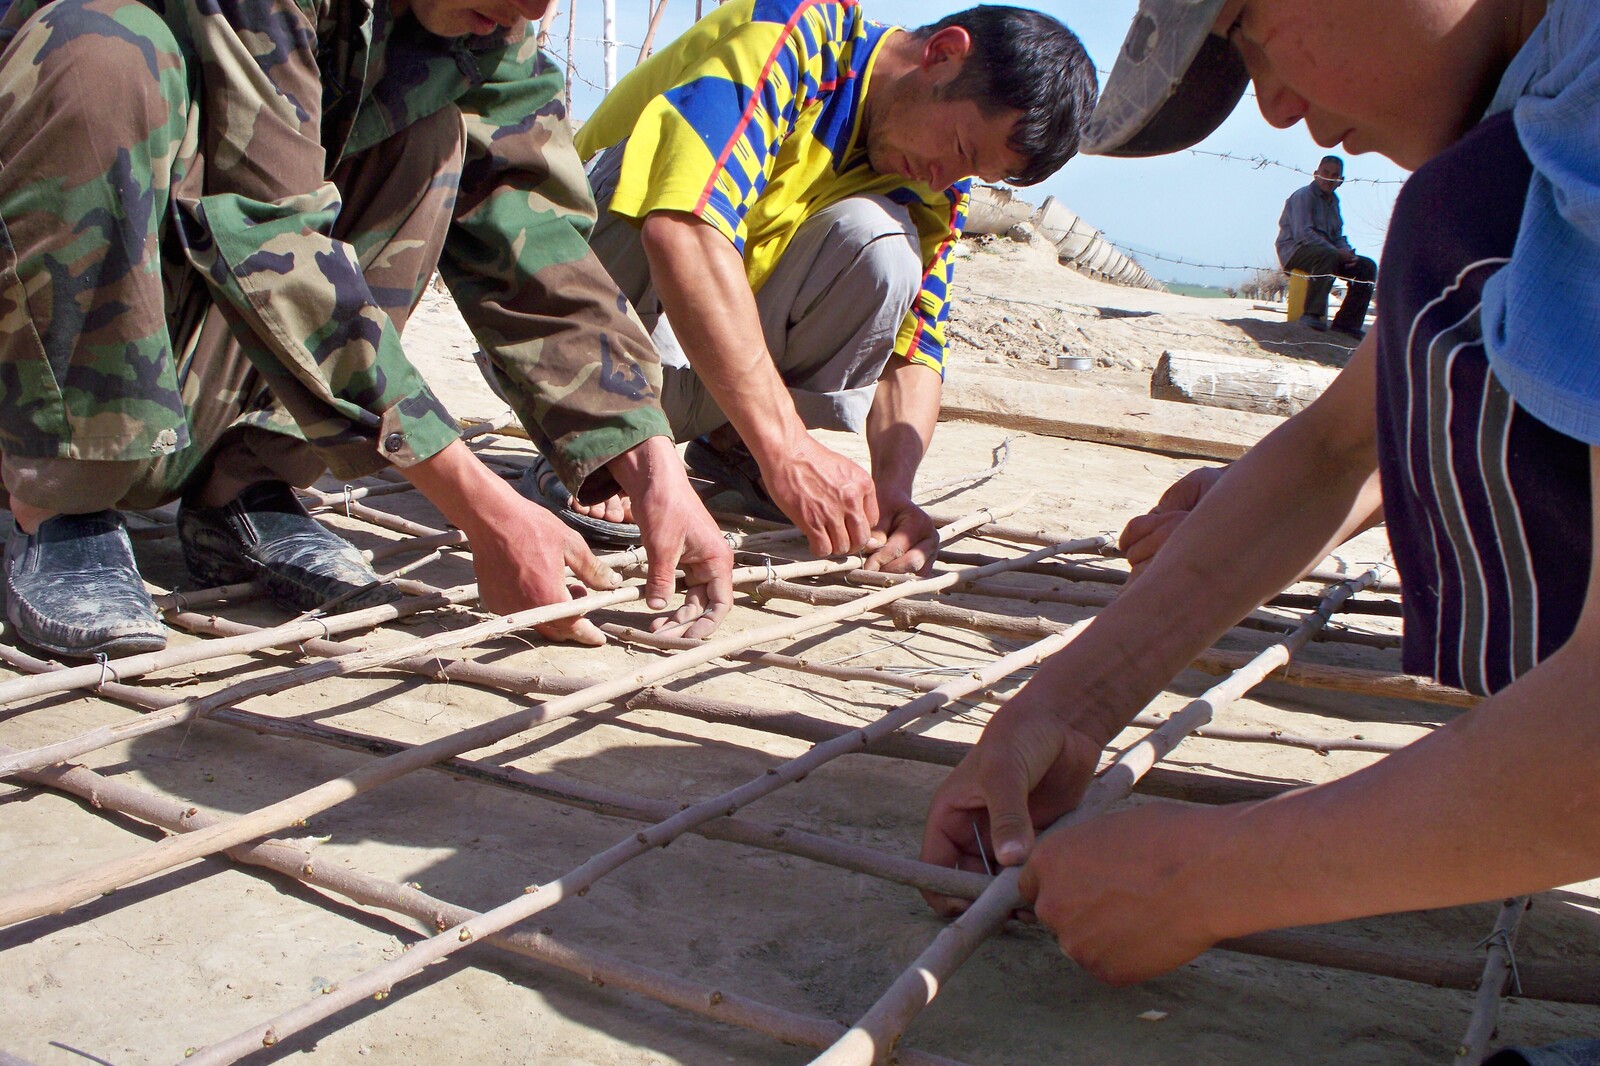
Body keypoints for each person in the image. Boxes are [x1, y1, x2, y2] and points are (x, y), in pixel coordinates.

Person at [921, 0, 1600, 1025]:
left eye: (1255, 27)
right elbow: (1342, 443)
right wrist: (1064, 705)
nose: (1277, 108)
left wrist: (1213, 874)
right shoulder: (1545, 106)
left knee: (1465, 220)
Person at [0, 0, 735, 660]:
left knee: (429, 131)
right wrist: (479, 507)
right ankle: (55, 498)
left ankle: (247, 481)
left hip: (177, 331)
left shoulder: (484, 22)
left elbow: (531, 232)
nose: (535, 6)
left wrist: (644, 445)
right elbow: (274, 237)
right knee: (101, 52)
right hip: (27, 356)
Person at [554, 1, 1095, 575]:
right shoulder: (795, 37)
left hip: (696, 360)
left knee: (882, 242)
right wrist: (788, 448)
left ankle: (738, 452)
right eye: (961, 149)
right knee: (668, 176)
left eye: (970, 173)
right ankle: (597, 438)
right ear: (943, 55)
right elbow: (682, 232)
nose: (946, 178)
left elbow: (912, 351)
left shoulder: (931, 181)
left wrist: (893, 494)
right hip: (563, 323)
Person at [1275, 154, 1377, 338]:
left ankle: (1348, 324)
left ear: (1341, 180)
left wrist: (1348, 252)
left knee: (1366, 266)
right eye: (1326, 173)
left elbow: (1337, 234)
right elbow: (1303, 234)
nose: (1329, 178)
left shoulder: (1334, 201)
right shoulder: (1303, 196)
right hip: (1296, 251)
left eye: (1334, 175)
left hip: (1328, 253)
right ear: (1316, 174)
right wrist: (1337, 253)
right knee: (1326, 255)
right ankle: (1312, 315)